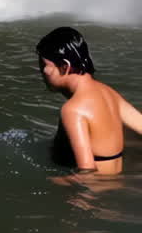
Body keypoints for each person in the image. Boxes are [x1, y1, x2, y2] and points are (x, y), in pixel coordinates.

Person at [38, 26, 142, 174]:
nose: (42, 72)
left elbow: (87, 171)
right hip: (114, 183)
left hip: (96, 190)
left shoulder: (73, 110)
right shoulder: (108, 92)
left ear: (64, 66)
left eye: (44, 65)